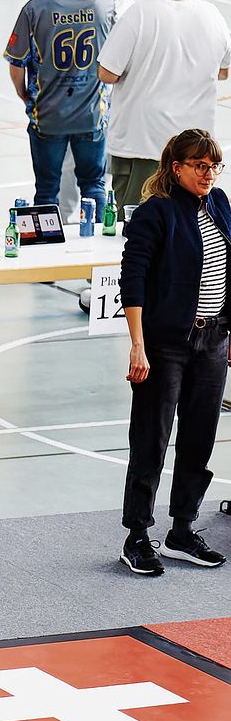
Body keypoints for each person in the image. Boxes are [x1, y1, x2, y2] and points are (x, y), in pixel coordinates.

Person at [119, 128, 229, 575]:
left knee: (199, 439)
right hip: (166, 346)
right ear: (175, 166)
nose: (208, 174)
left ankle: (182, 529)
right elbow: (134, 279)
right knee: (151, 441)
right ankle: (138, 536)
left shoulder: (219, 203)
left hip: (213, 342)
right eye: (199, 166)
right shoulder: (156, 213)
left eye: (213, 166)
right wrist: (137, 345)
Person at [98, 0, 231, 204]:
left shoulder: (139, 15)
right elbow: (223, 71)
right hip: (195, 152)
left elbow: (107, 73)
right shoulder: (213, 16)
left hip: (141, 145)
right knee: (189, 228)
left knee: (137, 228)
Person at [5, 0, 114, 213]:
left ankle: (47, 247)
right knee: (94, 185)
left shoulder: (34, 9)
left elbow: (16, 64)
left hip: (48, 116)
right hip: (91, 116)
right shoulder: (104, 5)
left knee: (46, 189)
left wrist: (24, 94)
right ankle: (98, 244)